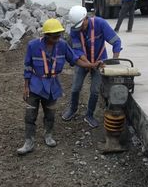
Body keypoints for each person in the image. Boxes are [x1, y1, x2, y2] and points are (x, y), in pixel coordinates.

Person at [17, 18, 101, 155]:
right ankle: (29, 141)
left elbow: (75, 59)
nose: (58, 38)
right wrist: (26, 86)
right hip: (35, 84)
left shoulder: (62, 45)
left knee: (50, 113)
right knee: (30, 114)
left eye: (59, 35)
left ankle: (48, 135)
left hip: (52, 85)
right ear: (46, 35)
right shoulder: (33, 46)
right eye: (54, 36)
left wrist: (91, 65)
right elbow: (27, 66)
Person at [62, 5, 122, 128]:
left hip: (100, 61)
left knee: (94, 90)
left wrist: (114, 61)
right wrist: (89, 64)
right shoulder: (75, 29)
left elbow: (116, 41)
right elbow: (78, 51)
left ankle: (89, 115)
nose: (80, 29)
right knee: (75, 88)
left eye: (82, 26)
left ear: (85, 18)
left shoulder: (100, 24)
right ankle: (72, 109)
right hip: (84, 62)